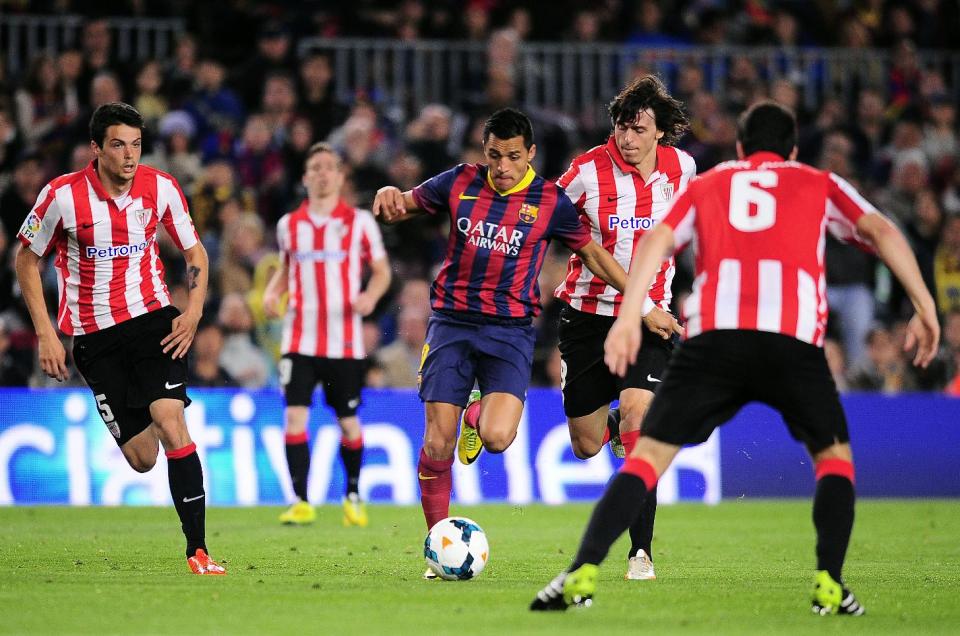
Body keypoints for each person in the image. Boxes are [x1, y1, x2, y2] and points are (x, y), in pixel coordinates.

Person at [530, 101, 939, 614]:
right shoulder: (817, 182)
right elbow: (881, 231)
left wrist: (633, 313)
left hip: (717, 342)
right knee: (833, 459)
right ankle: (830, 584)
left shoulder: (708, 180)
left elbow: (659, 238)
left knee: (650, 447)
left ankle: (584, 572)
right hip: (792, 343)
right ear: (792, 150)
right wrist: (925, 306)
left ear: (741, 148)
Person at [373, 108, 628, 579]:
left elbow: (591, 253)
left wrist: (639, 299)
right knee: (436, 443)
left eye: (513, 156)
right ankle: (437, 547)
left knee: (496, 437)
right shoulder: (460, 182)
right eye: (494, 155)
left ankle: (475, 410)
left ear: (530, 153)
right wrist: (389, 195)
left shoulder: (549, 201)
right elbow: (403, 203)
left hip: (510, 332)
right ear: (484, 151)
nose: (503, 166)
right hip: (451, 324)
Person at [14, 102, 225, 575]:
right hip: (93, 338)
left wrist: (192, 311)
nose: (130, 156)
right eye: (118, 145)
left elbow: (195, 252)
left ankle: (198, 549)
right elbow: (26, 259)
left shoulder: (161, 187)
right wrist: (47, 333)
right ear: (96, 149)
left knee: (171, 421)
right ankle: (144, 403)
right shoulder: (61, 197)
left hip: (154, 322)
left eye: (136, 145)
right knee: (143, 458)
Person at [554, 75, 692, 580]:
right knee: (587, 445)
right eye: (621, 126)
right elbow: (543, 213)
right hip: (589, 319)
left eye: (638, 129)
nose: (627, 138)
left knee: (639, 416)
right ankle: (608, 428)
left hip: (650, 320)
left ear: (661, 133)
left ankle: (641, 552)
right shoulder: (587, 171)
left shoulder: (684, 169)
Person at [264, 142, 391, 527]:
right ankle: (301, 500)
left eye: (328, 167)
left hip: (345, 342)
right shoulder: (290, 225)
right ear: (305, 177)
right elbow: (287, 270)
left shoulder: (359, 223)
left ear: (339, 176)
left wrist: (370, 296)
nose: (321, 174)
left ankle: (352, 494)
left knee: (348, 423)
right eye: (314, 167)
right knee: (294, 419)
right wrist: (273, 292)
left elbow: (382, 271)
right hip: (299, 340)